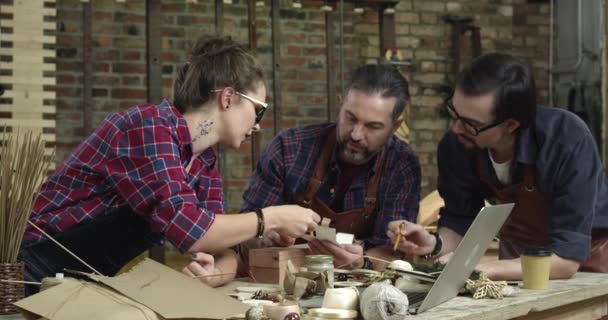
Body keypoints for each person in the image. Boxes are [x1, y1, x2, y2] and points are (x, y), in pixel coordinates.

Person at [20, 36, 320, 293]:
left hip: (84, 279)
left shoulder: (204, 165)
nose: (257, 126)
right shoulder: (148, 127)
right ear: (228, 97)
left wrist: (213, 274)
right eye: (259, 111)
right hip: (32, 268)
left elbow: (221, 249)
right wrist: (271, 218)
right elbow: (192, 229)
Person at [389, 53, 608, 280]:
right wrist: (434, 244)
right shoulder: (457, 145)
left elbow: (566, 259)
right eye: (454, 113)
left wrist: (484, 269)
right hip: (519, 254)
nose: (456, 129)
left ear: (511, 125)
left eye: (472, 124)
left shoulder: (566, 139)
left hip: (591, 260)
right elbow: (460, 219)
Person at [240, 64, 421, 270]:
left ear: (395, 127)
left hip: (358, 288)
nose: (356, 134)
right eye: (350, 118)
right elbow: (245, 234)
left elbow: (393, 250)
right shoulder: (289, 148)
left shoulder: (401, 164)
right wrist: (264, 237)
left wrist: (363, 262)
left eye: (372, 126)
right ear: (340, 104)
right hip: (283, 279)